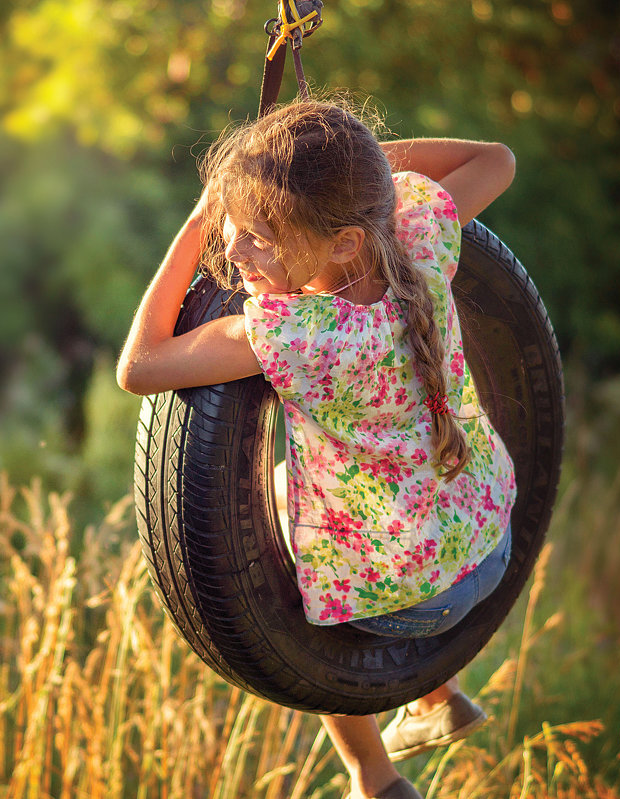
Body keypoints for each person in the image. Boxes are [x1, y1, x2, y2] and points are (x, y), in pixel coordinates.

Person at [116, 99, 518, 799]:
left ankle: (373, 775)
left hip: (415, 602)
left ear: (342, 243)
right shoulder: (419, 234)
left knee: (283, 567)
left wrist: (195, 220)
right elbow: (497, 160)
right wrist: (349, 176)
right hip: (492, 542)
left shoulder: (300, 337)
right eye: (229, 231)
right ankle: (436, 698)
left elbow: (139, 366)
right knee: (306, 490)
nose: (233, 251)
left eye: (259, 235)